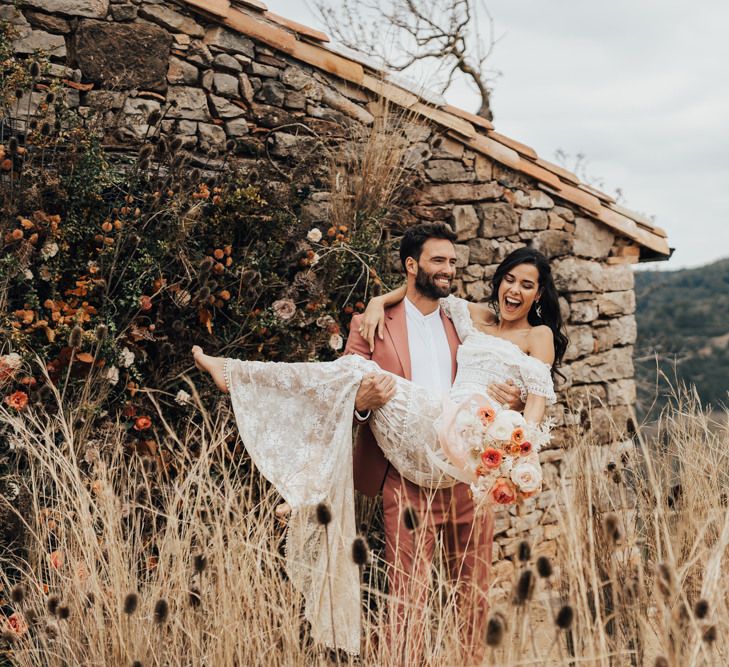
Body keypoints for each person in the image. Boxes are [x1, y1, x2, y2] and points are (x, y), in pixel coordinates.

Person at [191, 233, 567, 657]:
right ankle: (249, 391)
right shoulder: (407, 320)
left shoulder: (474, 322)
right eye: (437, 261)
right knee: (406, 596)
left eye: (452, 262)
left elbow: (535, 392)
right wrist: (365, 387)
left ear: (537, 293)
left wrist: (517, 418)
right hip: (406, 471)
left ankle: (297, 469)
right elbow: (348, 406)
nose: (447, 269)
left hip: (464, 470)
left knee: (472, 592)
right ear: (411, 265)